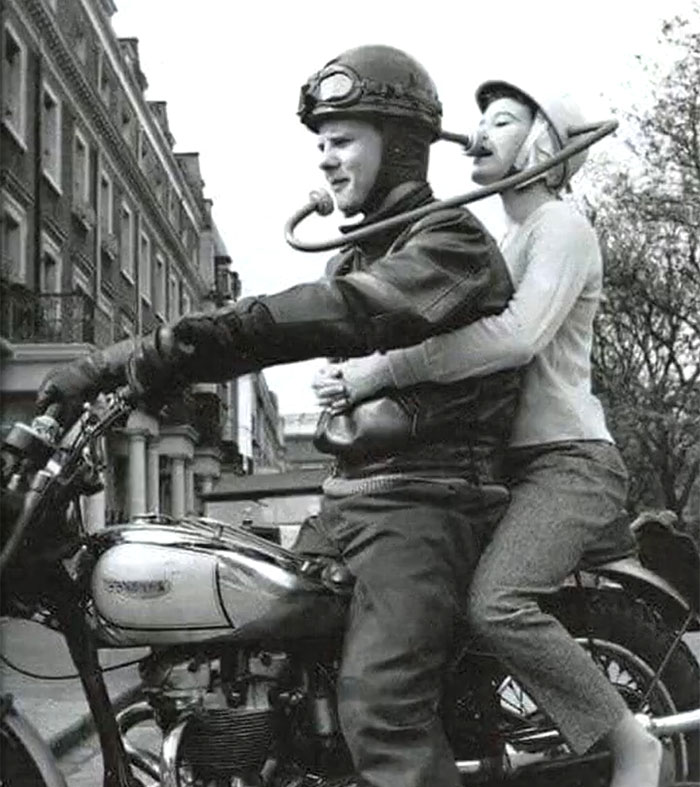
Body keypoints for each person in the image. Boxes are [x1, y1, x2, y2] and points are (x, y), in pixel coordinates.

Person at [36, 46, 524, 787]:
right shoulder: (361, 253)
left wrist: (152, 354)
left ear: (398, 145)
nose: (326, 161)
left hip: (427, 499)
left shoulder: (447, 243)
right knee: (263, 646)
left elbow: (328, 316)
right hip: (355, 499)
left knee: (381, 710)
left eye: (343, 140)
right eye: (321, 143)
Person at [313, 79, 663, 787]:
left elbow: (514, 338)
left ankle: (631, 740)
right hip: (507, 464)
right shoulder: (506, 237)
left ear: (543, 147)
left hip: (567, 463)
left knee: (497, 602)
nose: (479, 130)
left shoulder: (560, 226)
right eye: (478, 119)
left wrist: (376, 373)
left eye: (502, 120)